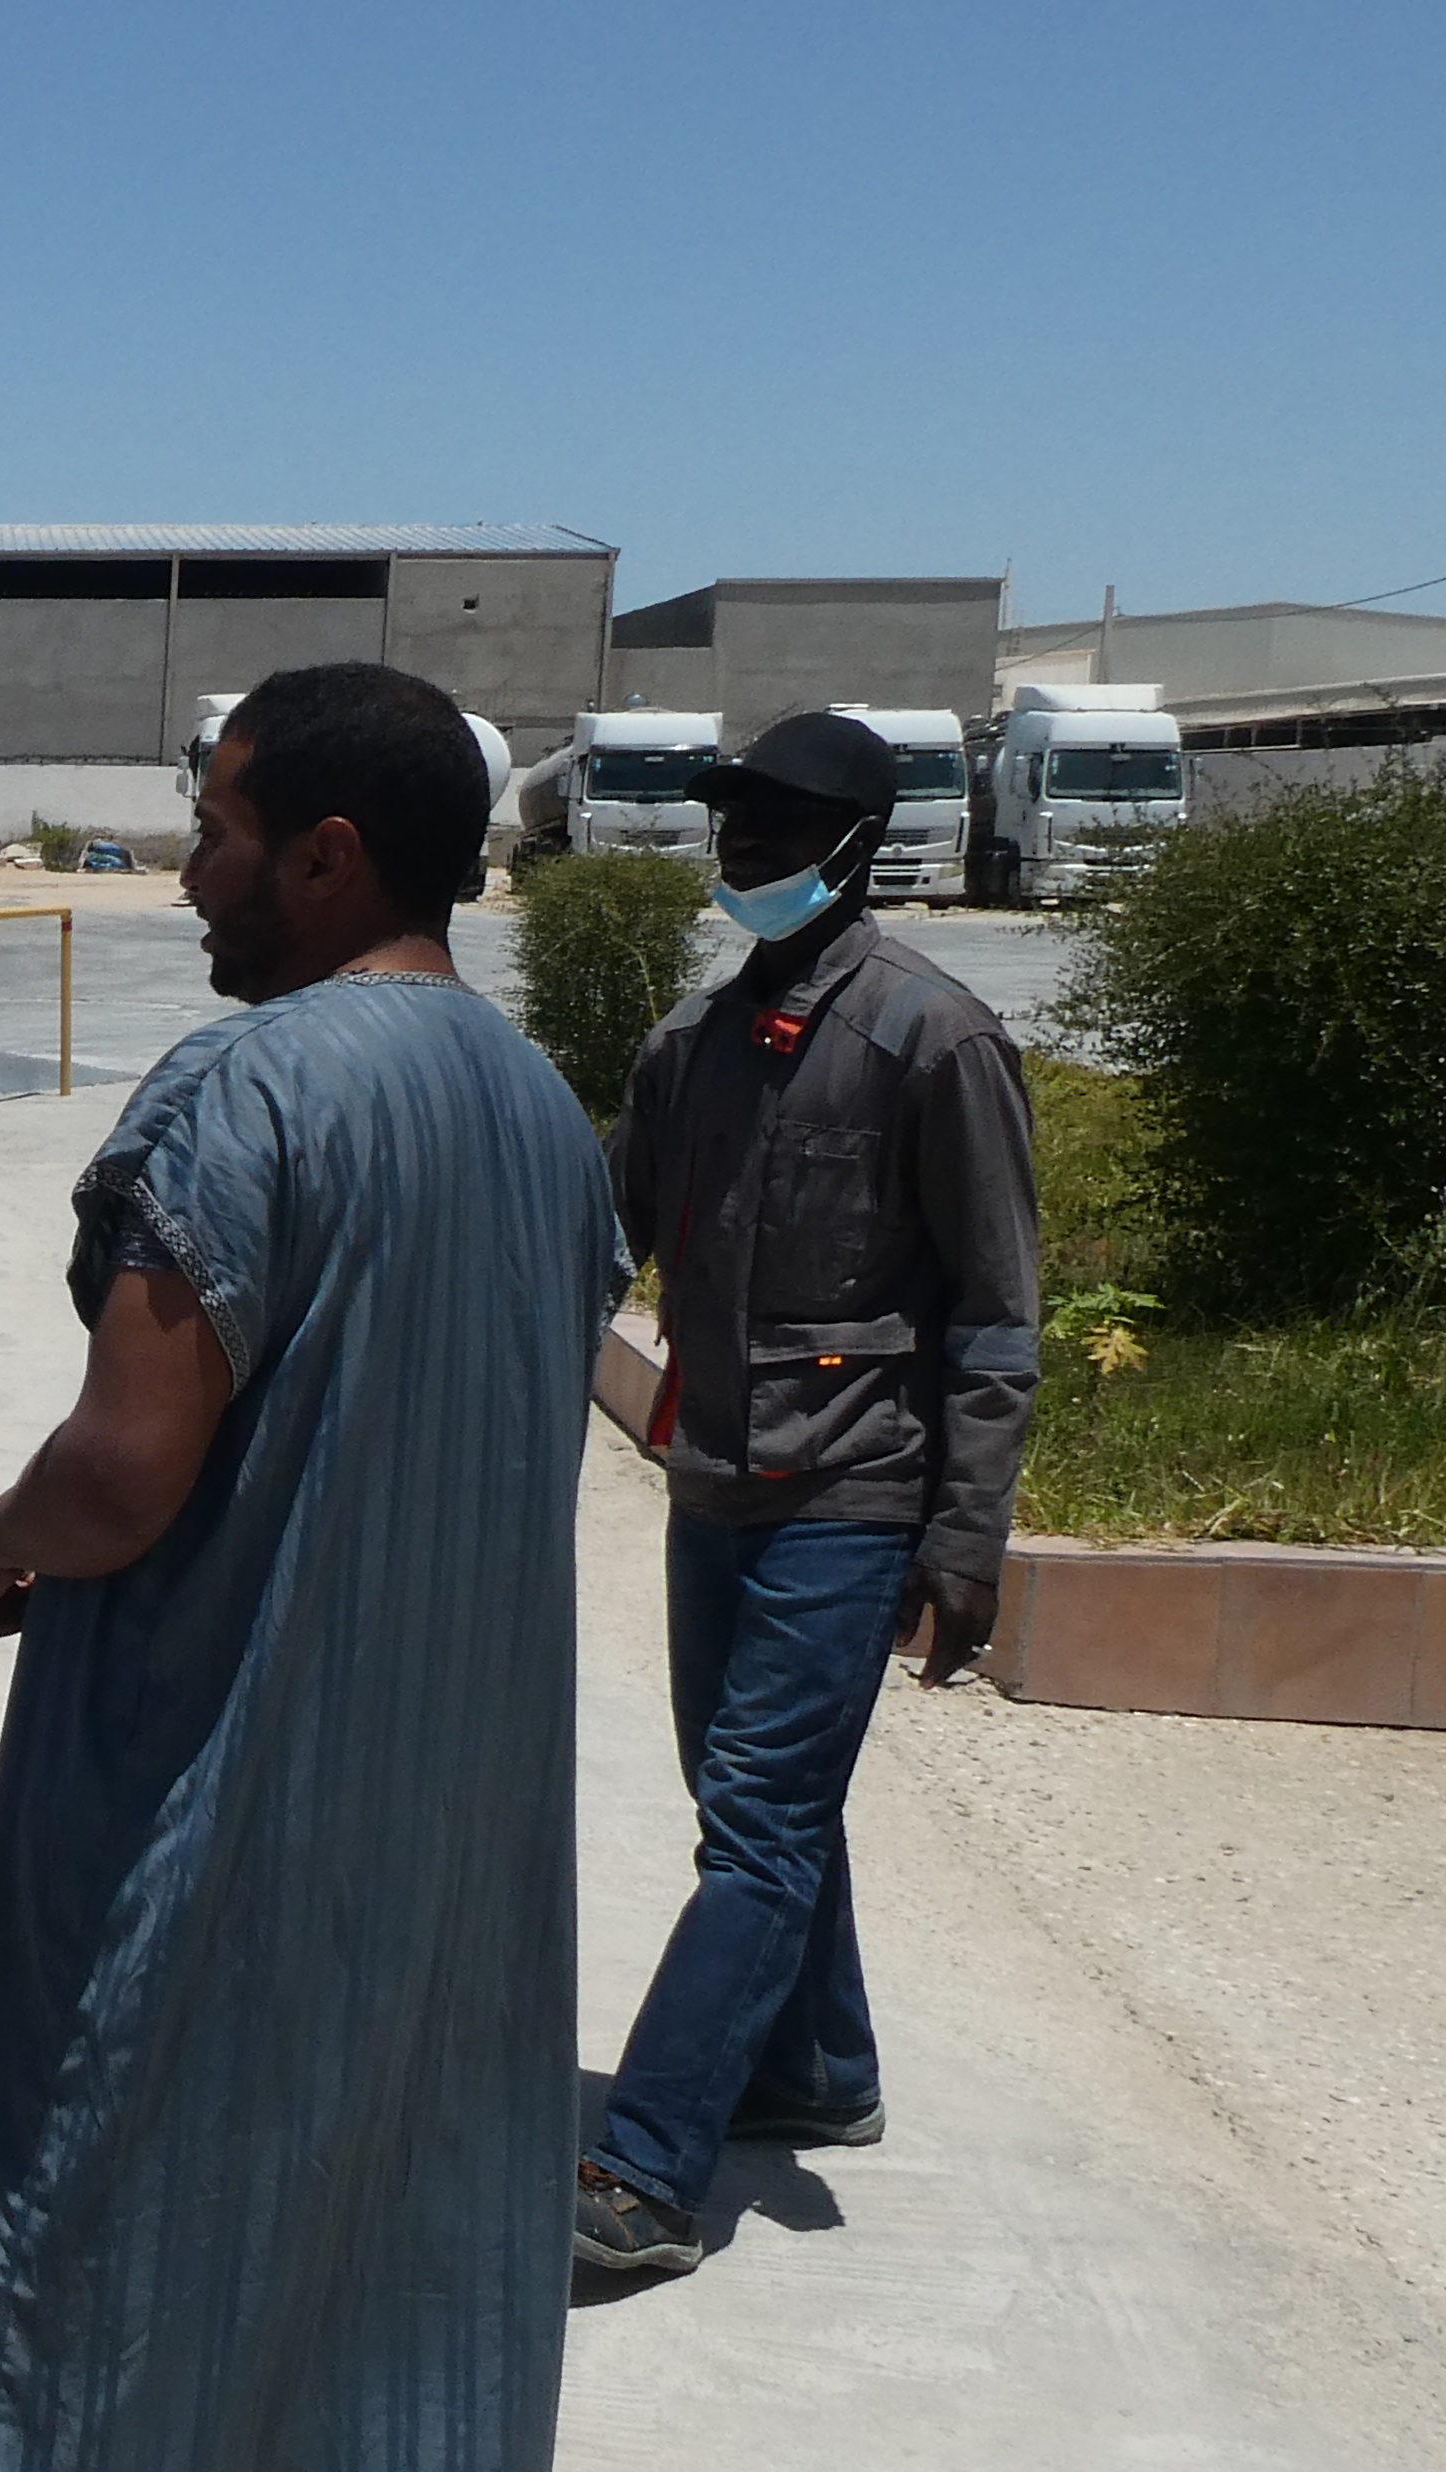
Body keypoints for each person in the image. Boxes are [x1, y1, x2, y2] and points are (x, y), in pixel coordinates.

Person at [0, 664, 613, 2472]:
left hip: (209, 1825)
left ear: (324, 858)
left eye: (214, 832)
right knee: (388, 2279)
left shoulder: (249, 1088)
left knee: (101, 2258)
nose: (188, 873)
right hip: (444, 1847)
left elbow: (119, 1471)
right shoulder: (540, 1110)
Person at [575, 710, 1040, 2275]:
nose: (742, 850)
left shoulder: (935, 1040)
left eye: (773, 827)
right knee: (750, 1803)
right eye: (731, 825)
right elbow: (603, 1241)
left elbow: (997, 1316)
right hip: (713, 1481)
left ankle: (649, 2172)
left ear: (855, 847)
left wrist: (966, 1539)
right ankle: (821, 2070)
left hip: (852, 1493)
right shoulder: (692, 1045)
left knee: (761, 1825)